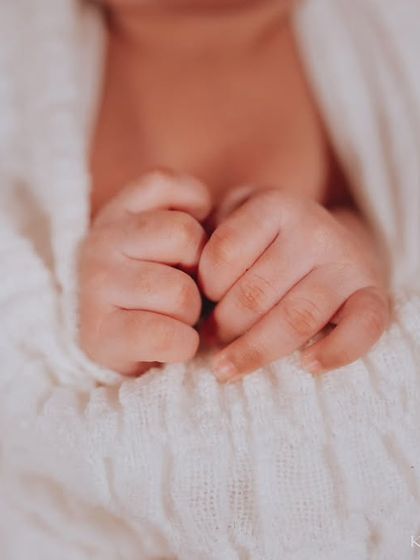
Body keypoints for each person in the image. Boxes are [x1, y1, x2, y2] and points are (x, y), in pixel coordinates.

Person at [1, 0, 420, 558]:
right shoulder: (24, 70)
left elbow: (402, 236)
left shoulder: (383, 42)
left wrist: (356, 253)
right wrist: (76, 326)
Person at [80, 0, 389, 383]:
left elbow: (398, 219)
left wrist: (356, 248)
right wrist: (74, 325)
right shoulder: (28, 82)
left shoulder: (378, 58)